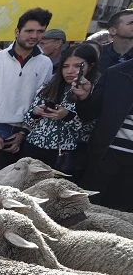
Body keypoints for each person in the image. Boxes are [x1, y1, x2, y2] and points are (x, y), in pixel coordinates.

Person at [0, 8, 54, 175]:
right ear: (17, 31)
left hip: (20, 133)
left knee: (5, 187)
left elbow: (40, 101)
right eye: (29, 31)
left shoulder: (45, 64)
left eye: (40, 32)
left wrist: (24, 131)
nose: (34, 36)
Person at [18, 44, 99, 179]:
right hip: (33, 149)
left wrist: (66, 116)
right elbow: (27, 120)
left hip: (64, 156)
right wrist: (36, 112)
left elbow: (90, 128)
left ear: (89, 66)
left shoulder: (95, 90)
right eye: (65, 66)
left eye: (78, 66)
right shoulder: (51, 85)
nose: (70, 71)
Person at [73, 40, 133, 210]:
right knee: (89, 216)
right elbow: (89, 114)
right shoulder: (117, 73)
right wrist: (84, 97)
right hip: (105, 158)